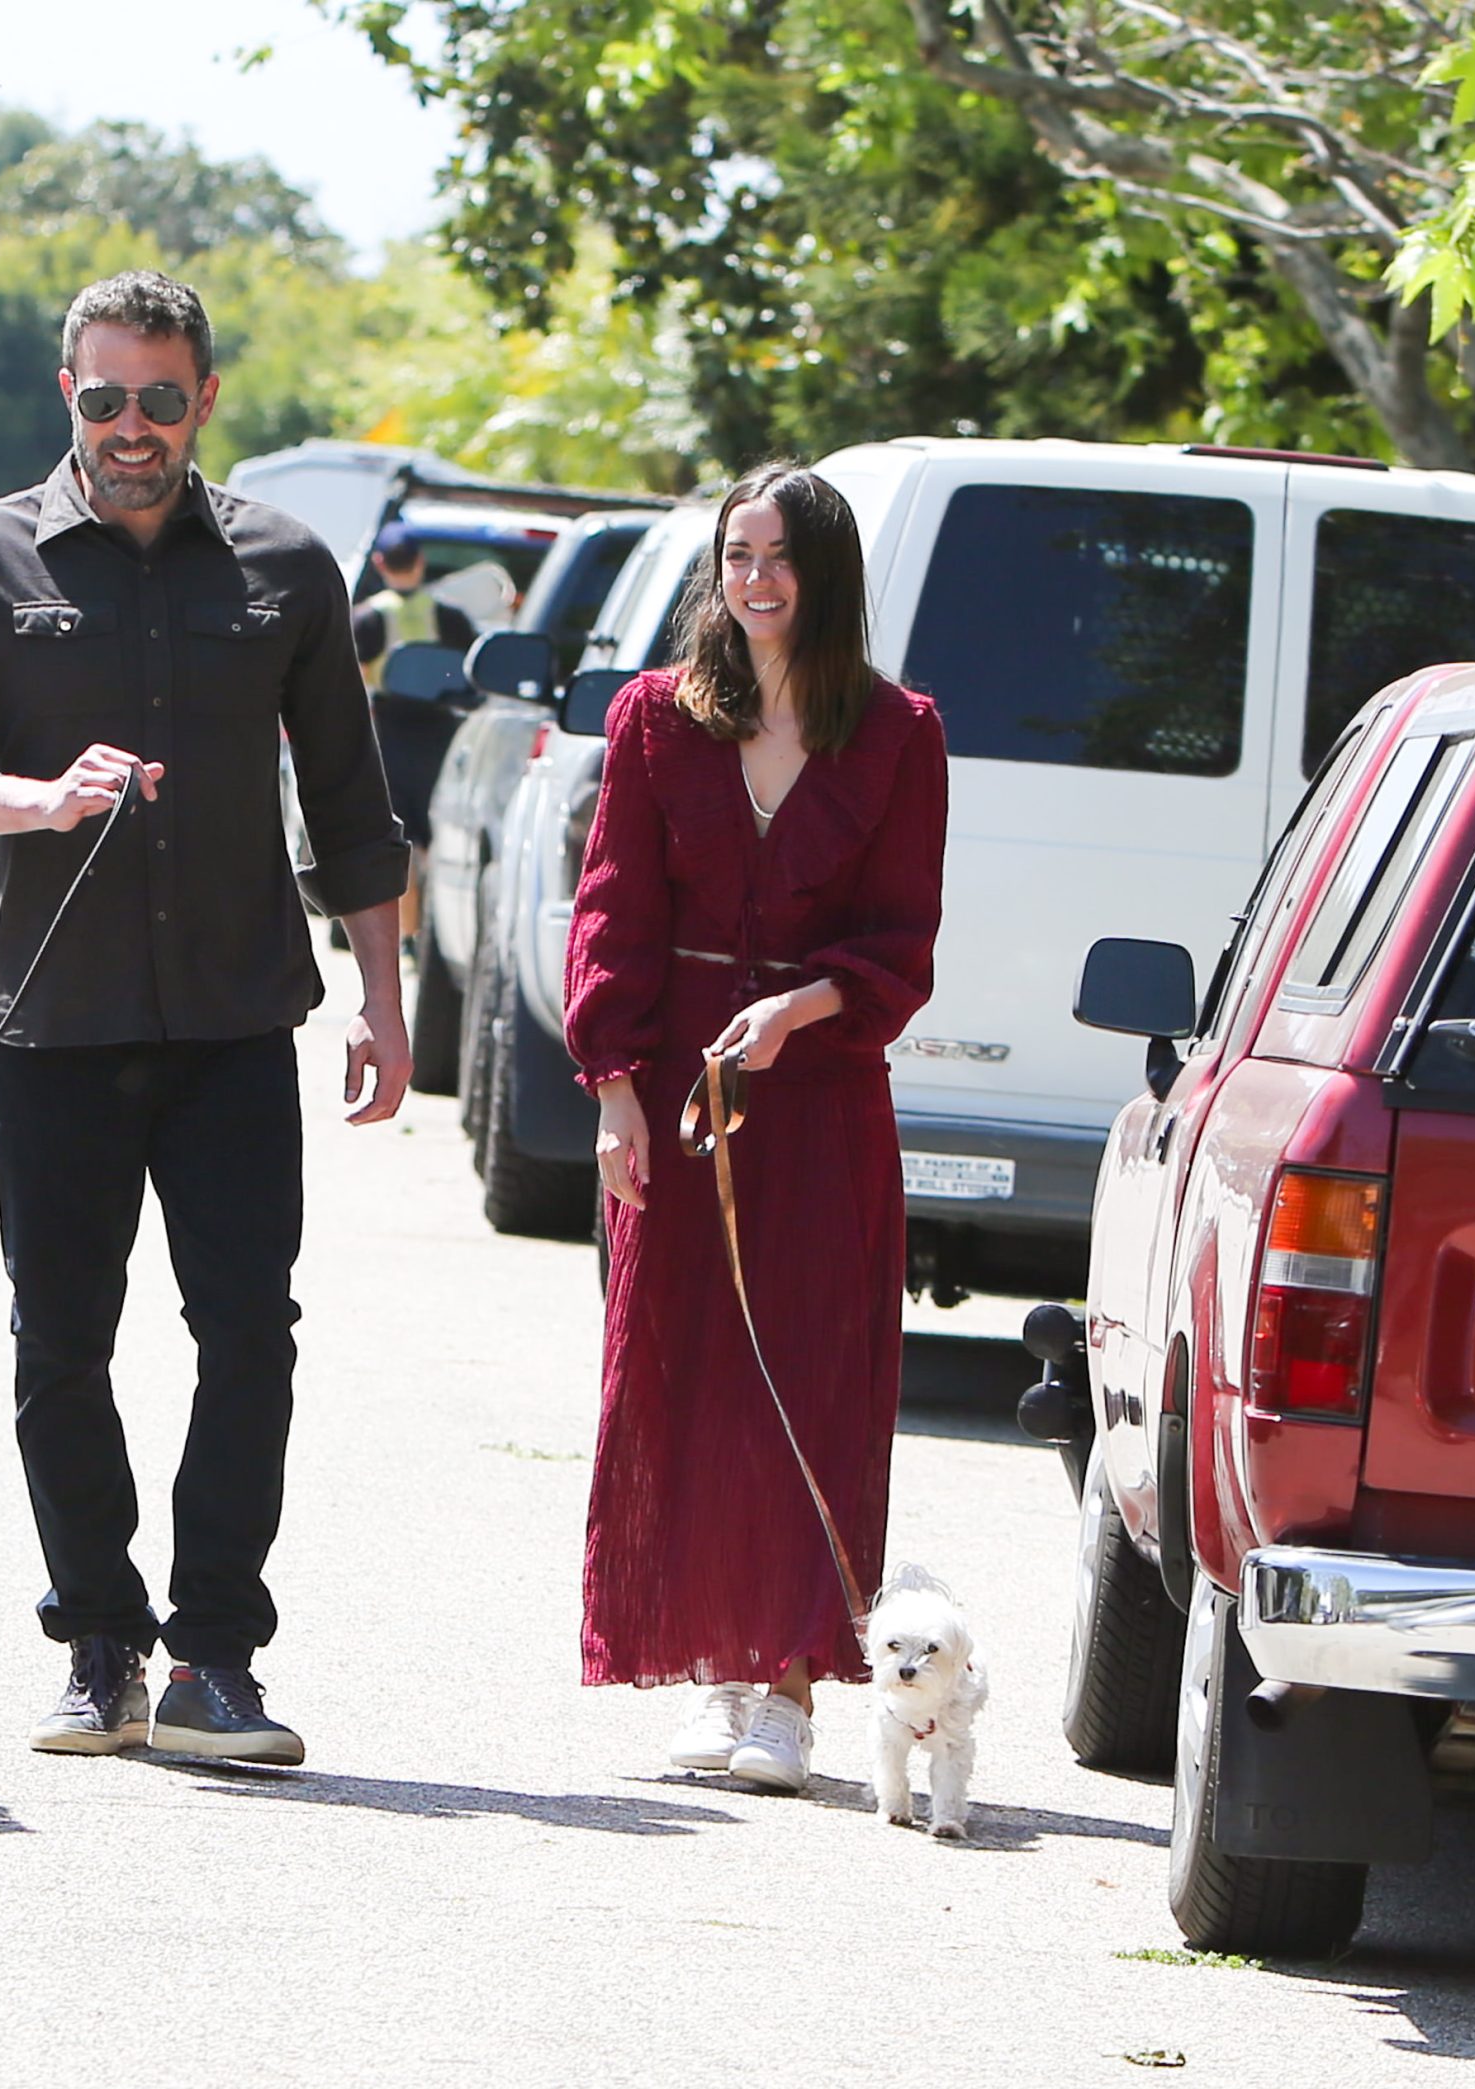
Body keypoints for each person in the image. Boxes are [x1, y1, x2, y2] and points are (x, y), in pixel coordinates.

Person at [0, 269, 412, 1767]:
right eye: (103, 397)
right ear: (69, 396)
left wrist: (382, 995)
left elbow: (355, 809)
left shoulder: (289, 570)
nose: (130, 426)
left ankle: (216, 1661)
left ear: (205, 401)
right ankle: (99, 1646)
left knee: (249, 1334)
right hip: (55, 1026)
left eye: (159, 399)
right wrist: (30, 801)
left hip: (238, 1021)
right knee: (62, 1343)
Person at [561, 460, 948, 1794]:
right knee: (682, 1377)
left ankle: (787, 1684)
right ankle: (712, 1672)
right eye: (737, 555)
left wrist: (802, 1010)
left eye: (779, 557)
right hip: (675, 1091)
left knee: (814, 1375)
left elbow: (904, 937)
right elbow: (612, 908)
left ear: (825, 574)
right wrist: (613, 1088)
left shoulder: (899, 733)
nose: (755, 580)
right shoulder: (657, 719)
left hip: (824, 1091)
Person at [352, 523, 475, 946]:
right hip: (441, 731)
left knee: (400, 836)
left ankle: (409, 932)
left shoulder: (367, 617)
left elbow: (352, 678)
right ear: (420, 562)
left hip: (389, 733)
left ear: (380, 564)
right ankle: (436, 933)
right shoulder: (450, 615)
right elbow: (471, 672)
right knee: (438, 831)